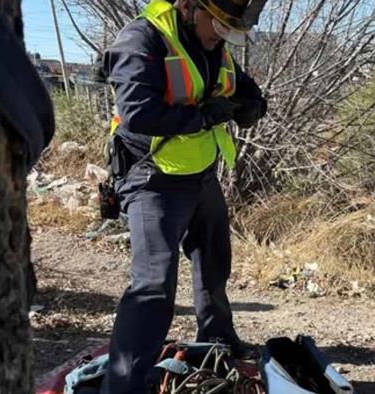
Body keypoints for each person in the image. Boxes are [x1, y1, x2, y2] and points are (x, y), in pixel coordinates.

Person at [99, 0, 267, 392]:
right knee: (153, 285)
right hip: (151, 176)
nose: (219, 38)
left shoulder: (212, 44)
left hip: (199, 173)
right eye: (217, 27)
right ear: (190, 6)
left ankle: (217, 340)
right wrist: (206, 115)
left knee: (213, 261)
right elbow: (139, 113)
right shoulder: (142, 39)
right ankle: (123, 385)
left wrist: (251, 107)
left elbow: (246, 91)